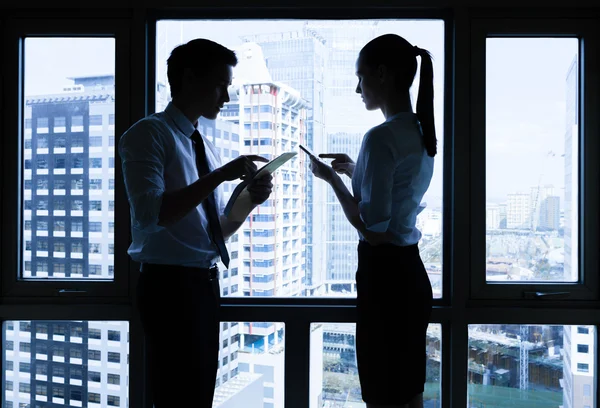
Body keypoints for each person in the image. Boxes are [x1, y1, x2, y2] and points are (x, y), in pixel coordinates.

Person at [118, 39, 273, 408]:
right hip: (169, 289)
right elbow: (151, 214)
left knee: (198, 395)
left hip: (203, 285)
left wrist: (251, 199)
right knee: (176, 397)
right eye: (222, 85)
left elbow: (213, 229)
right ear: (189, 77)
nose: (227, 98)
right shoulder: (148, 135)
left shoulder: (202, 144)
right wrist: (219, 176)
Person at [309, 34, 435, 408]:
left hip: (386, 281)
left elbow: (373, 231)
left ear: (382, 74)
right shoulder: (418, 131)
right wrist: (356, 171)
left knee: (382, 393)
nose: (357, 88)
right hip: (410, 276)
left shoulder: (380, 137)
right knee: (407, 391)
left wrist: (331, 178)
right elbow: (396, 195)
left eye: (361, 76)